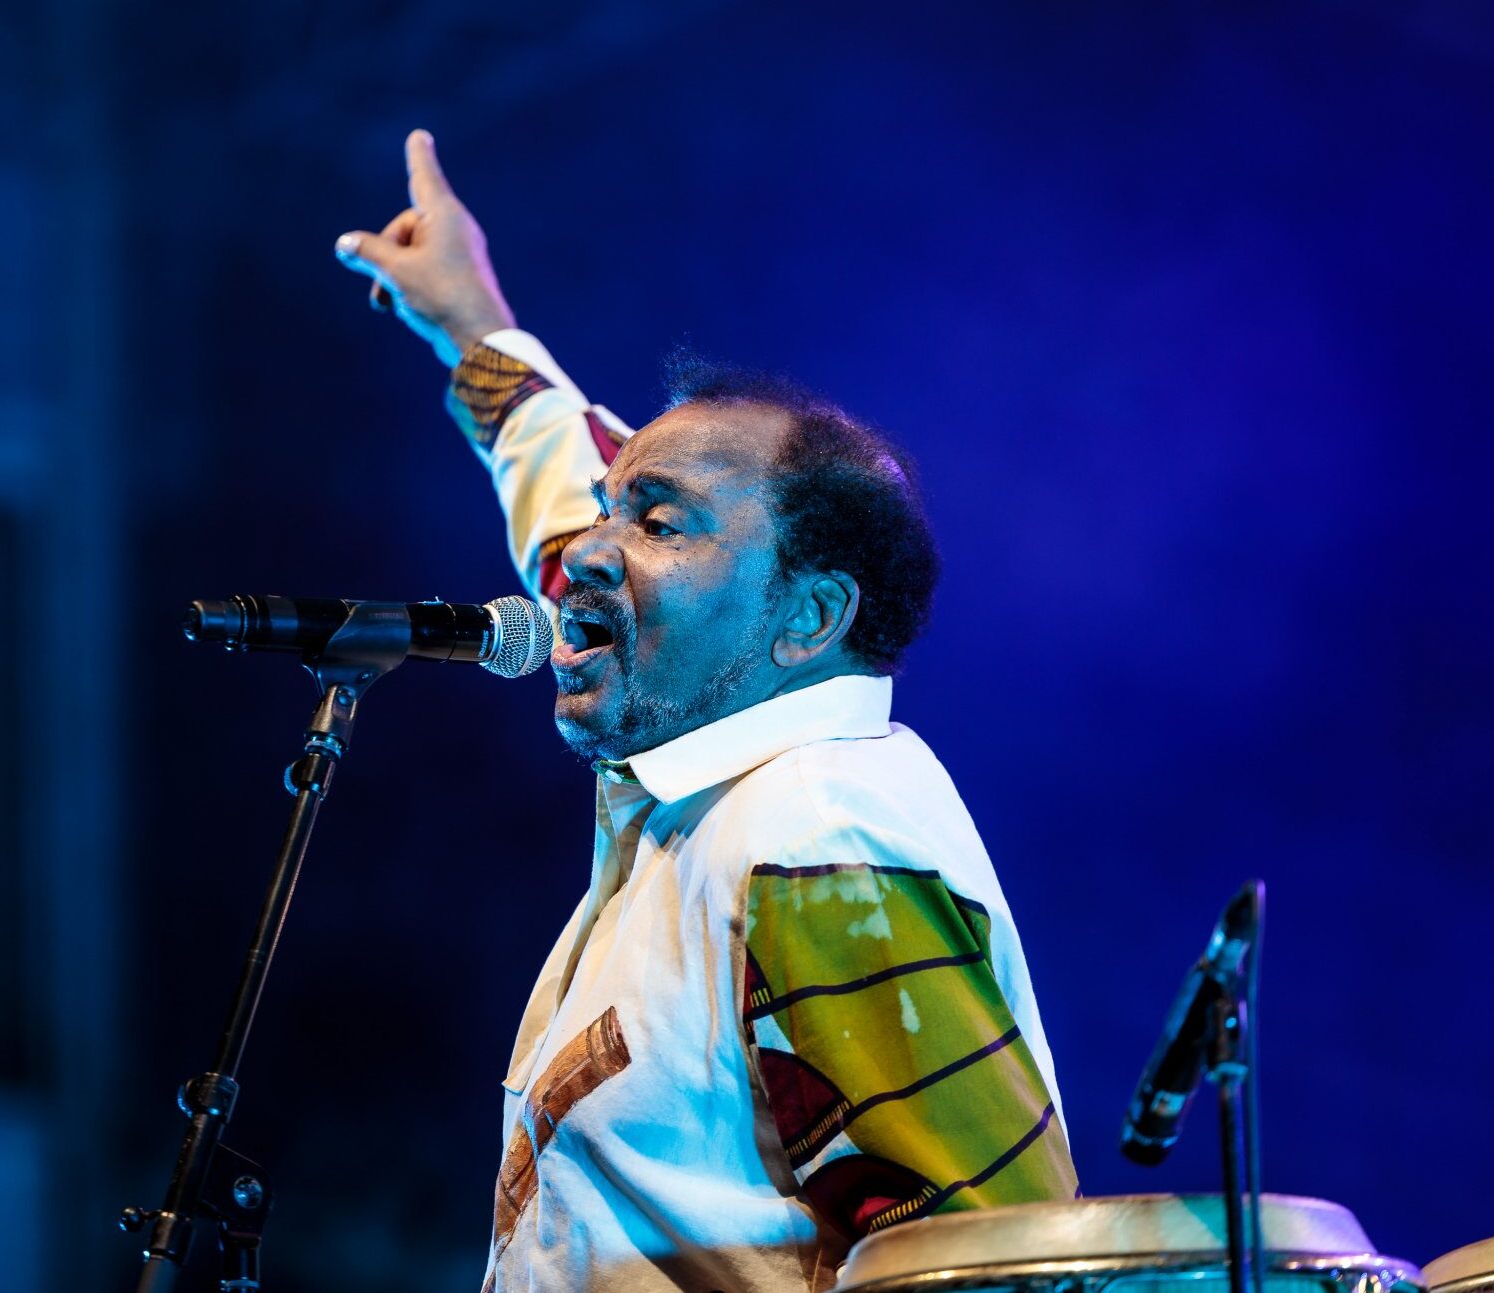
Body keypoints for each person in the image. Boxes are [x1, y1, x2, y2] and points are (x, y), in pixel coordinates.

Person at [336, 129, 1077, 1293]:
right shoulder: (718, 792)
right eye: (606, 508)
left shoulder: (814, 834)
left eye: (655, 521)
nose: (589, 550)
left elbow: (989, 1262)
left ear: (807, 617)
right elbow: (573, 508)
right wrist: (471, 325)